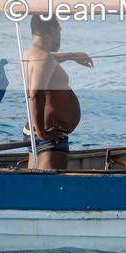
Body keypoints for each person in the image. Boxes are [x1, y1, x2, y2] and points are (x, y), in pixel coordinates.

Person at [21, 14, 93, 170]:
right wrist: (42, 134)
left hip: (34, 129)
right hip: (48, 133)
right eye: (60, 30)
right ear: (53, 29)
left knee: (36, 183)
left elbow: (50, 60)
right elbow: (35, 97)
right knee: (50, 186)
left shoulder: (28, 54)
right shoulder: (44, 59)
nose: (60, 35)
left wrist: (73, 56)